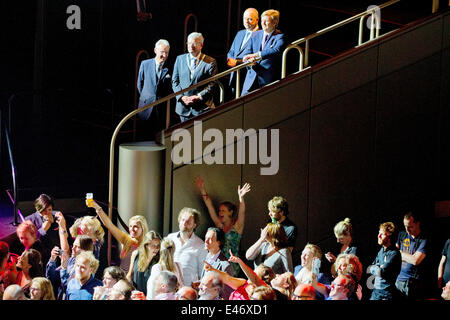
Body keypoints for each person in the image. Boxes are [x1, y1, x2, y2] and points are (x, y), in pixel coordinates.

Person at [196, 176, 250, 276]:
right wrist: (202, 188)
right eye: (219, 210)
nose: (220, 212)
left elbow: (242, 212)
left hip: (232, 264)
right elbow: (209, 206)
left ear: (230, 212)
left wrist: (241, 198)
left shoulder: (237, 227)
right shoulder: (219, 225)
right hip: (217, 262)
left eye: (223, 211)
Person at [86, 199, 148, 272]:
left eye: (136, 227)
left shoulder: (148, 244)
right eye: (130, 226)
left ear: (143, 228)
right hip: (123, 277)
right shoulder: (126, 240)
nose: (132, 229)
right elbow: (109, 225)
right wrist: (97, 207)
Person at [172, 32, 218, 122]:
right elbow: (175, 81)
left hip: (202, 107)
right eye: (189, 43)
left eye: (194, 43)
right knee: (185, 135)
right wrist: (182, 97)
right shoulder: (179, 59)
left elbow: (213, 83)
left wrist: (198, 96)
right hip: (183, 108)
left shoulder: (210, 61)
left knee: (199, 135)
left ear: (201, 45)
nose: (191, 46)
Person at [241, 9, 285, 96]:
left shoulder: (280, 36)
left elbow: (276, 49)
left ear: (275, 23)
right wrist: (249, 62)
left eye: (266, 21)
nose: (263, 23)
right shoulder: (255, 34)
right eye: (262, 21)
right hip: (250, 81)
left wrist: (257, 55)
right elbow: (247, 53)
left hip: (267, 81)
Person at [136, 39, 172, 140]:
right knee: (143, 136)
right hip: (145, 106)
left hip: (161, 108)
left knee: (158, 137)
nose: (164, 55)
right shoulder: (145, 64)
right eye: (162, 52)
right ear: (155, 50)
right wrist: (147, 97)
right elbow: (140, 84)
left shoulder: (170, 67)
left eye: (167, 52)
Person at [166, 207, 207, 287]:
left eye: (188, 221)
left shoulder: (200, 245)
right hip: (168, 288)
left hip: (187, 291)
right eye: (182, 220)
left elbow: (203, 273)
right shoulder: (170, 238)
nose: (184, 223)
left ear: (194, 225)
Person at [46, 235, 94, 299]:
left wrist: (64, 269)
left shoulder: (86, 268)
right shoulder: (71, 260)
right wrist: (52, 260)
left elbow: (70, 288)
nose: (72, 248)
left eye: (77, 247)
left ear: (85, 250)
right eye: (73, 245)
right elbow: (52, 278)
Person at [226, 8, 259, 97]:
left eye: (250, 19)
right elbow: (231, 51)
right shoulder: (240, 33)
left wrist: (237, 63)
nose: (246, 21)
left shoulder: (260, 34)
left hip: (248, 77)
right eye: (245, 18)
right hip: (235, 75)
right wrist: (229, 60)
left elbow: (256, 58)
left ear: (257, 20)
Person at [395, 211, 428, 299]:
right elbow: (393, 254)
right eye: (405, 226)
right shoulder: (402, 234)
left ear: (417, 224)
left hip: (412, 284)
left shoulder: (424, 240)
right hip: (398, 279)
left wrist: (400, 253)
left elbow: (415, 260)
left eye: (410, 226)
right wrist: (406, 256)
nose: (407, 229)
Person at [369, 222, 402, 300]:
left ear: (389, 237)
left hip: (386, 295)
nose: (379, 236)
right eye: (379, 233)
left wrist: (378, 268)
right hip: (376, 292)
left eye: (382, 234)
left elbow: (382, 272)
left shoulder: (394, 253)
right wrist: (378, 267)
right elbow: (371, 268)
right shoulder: (381, 251)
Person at [202, 227, 234, 298]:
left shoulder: (225, 265)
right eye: (205, 238)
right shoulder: (207, 257)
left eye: (210, 239)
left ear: (219, 243)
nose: (206, 241)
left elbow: (226, 293)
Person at [127, 230, 161, 295]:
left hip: (150, 296)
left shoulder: (159, 261)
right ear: (146, 245)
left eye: (158, 245)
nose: (156, 248)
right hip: (136, 294)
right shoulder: (136, 254)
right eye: (153, 245)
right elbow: (129, 275)